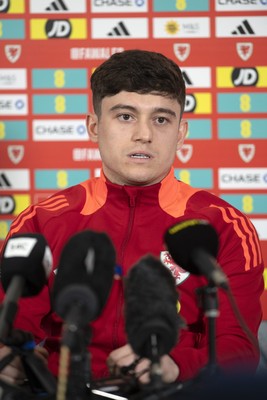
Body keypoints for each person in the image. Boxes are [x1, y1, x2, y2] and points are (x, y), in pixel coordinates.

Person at [0, 50, 264, 390]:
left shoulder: (225, 226)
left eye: (161, 119)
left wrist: (172, 366)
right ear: (94, 127)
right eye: (125, 116)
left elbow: (239, 348)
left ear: (181, 132)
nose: (144, 134)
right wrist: (11, 355)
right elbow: (13, 326)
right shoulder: (42, 220)